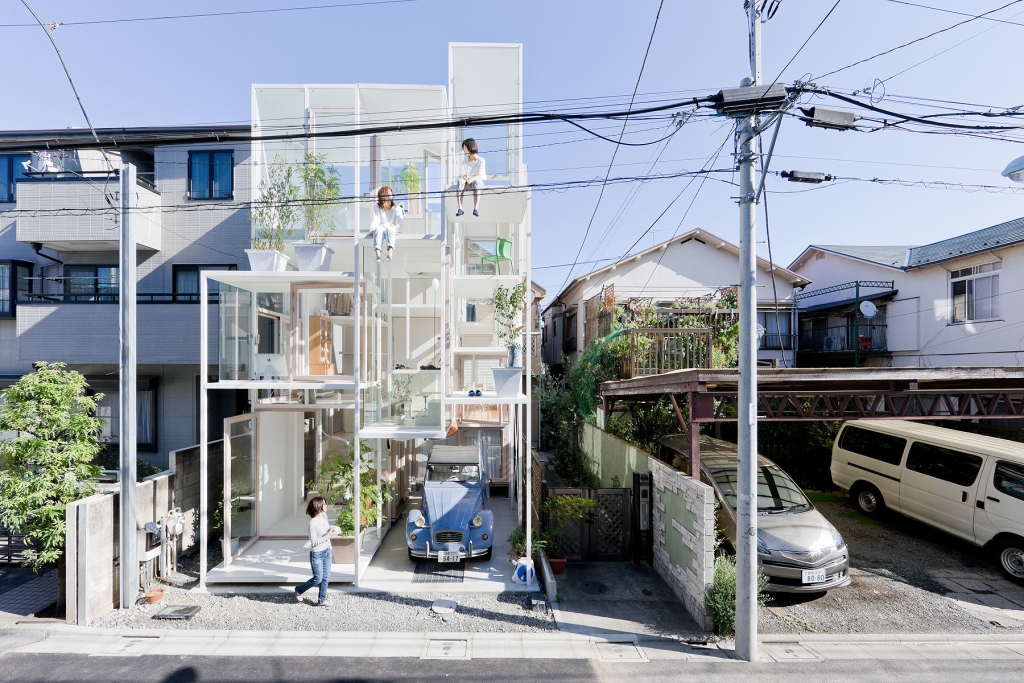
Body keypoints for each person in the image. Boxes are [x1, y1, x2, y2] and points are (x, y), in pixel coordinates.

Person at [295, 496, 338, 606]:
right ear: (318, 507)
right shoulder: (312, 524)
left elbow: (326, 529)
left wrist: (333, 529)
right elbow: (313, 542)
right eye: (324, 504)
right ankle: (299, 589)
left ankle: (322, 600)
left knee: (326, 577)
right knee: (318, 578)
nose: (326, 505)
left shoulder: (325, 515)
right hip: (317, 554)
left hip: (327, 550)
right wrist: (328, 535)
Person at [368, 186, 403, 262]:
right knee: (378, 229)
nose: (392, 193)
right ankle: (378, 255)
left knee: (390, 230)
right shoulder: (378, 207)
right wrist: (373, 229)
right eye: (389, 192)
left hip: (391, 227)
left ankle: (390, 253)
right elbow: (375, 219)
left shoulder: (397, 208)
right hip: (382, 227)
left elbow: (398, 223)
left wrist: (398, 230)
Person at [456, 138, 486, 217]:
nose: (464, 150)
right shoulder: (464, 162)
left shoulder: (481, 160)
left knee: (477, 182)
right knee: (460, 181)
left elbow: (480, 174)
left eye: (465, 148)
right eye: (463, 148)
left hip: (476, 182)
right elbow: (464, 174)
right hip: (467, 182)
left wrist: (472, 179)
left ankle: (476, 208)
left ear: (470, 147)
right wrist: (467, 180)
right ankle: (460, 208)